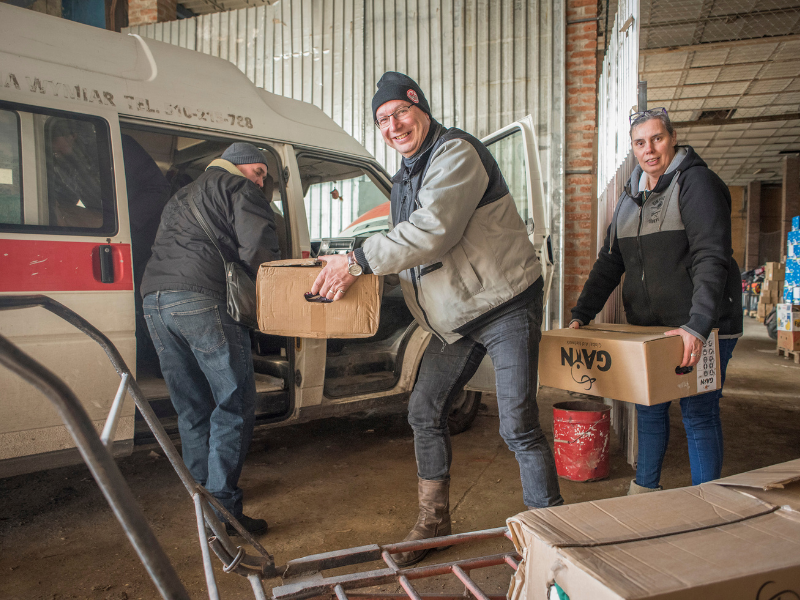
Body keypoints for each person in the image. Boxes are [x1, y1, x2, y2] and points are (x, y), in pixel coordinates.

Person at [311, 71, 563, 566]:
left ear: (420, 107)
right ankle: (434, 523)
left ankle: (550, 532)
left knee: (516, 424)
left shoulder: (455, 153)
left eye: (400, 112)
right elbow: (412, 250)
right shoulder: (406, 175)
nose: (393, 125)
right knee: (423, 411)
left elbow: (433, 232)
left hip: (505, 302)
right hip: (456, 317)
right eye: (382, 120)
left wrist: (358, 260)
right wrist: (353, 270)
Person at [569, 107, 742, 494]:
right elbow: (610, 263)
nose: (649, 149)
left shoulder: (697, 184)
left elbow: (711, 257)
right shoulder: (630, 197)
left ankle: (707, 502)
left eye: (657, 138)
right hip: (653, 329)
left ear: (673, 138)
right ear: (633, 148)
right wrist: (582, 312)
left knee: (698, 413)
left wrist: (697, 326)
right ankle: (645, 491)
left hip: (703, 325)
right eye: (640, 142)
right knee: (649, 407)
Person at [140, 142, 280, 535]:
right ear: (245, 167)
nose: (262, 181)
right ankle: (226, 513)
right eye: (261, 173)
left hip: (155, 303)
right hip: (202, 299)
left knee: (192, 408)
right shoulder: (239, 188)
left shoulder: (181, 195)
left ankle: (204, 508)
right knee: (233, 403)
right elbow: (259, 250)